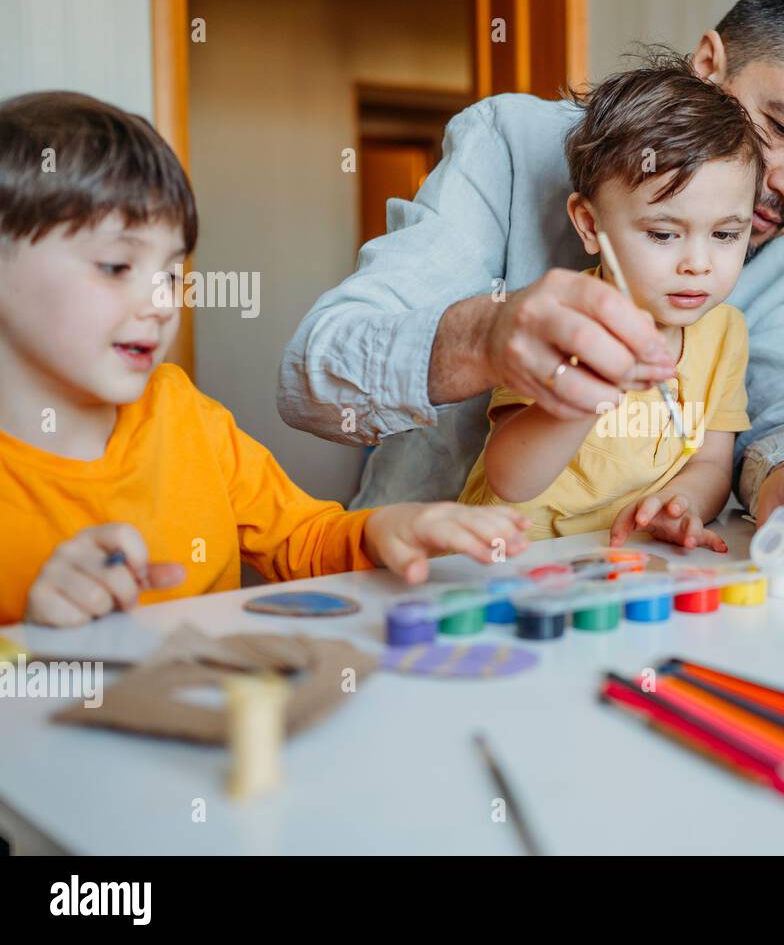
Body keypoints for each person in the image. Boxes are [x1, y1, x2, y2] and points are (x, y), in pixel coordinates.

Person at [279, 0, 784, 584]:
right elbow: (313, 374)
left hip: (616, 588)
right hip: (418, 580)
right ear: (708, 63)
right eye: (783, 128)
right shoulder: (512, 144)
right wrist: (486, 337)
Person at [0, 92, 528, 626]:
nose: (162, 304)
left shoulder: (183, 413)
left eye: (172, 276)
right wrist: (35, 633)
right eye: (116, 266)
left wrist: (381, 529)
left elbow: (302, 539)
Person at [459, 54, 761, 552]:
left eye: (727, 233)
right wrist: (590, 389)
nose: (699, 263)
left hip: (614, 562)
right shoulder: (559, 319)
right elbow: (510, 478)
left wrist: (680, 503)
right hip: (505, 559)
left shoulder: (726, 332)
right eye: (664, 234)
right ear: (589, 224)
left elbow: (709, 463)